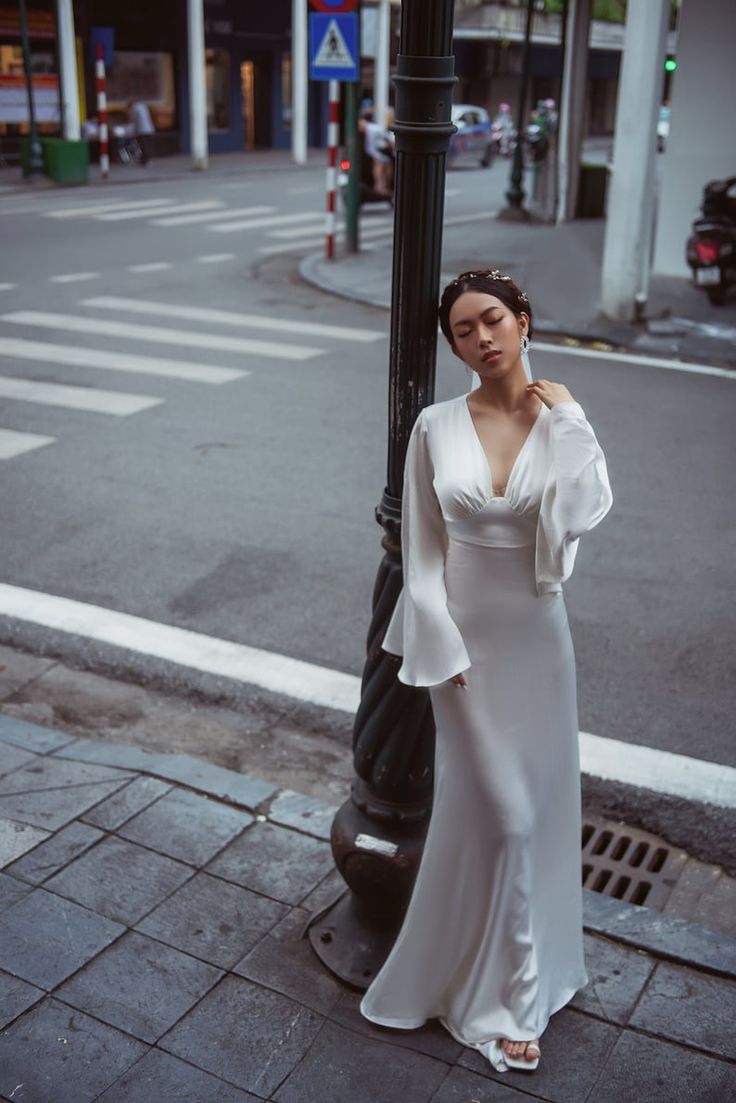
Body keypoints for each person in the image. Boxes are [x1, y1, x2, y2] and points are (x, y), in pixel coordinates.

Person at [360, 269, 613, 1073]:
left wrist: (568, 416)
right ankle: (513, 995)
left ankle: (518, 977)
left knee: (531, 814)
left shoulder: (559, 418)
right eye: (463, 331)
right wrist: (440, 643)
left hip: (539, 642)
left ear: (524, 320)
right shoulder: (435, 425)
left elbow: (585, 510)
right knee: (502, 814)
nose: (481, 340)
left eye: (492, 321)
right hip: (461, 649)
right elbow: (423, 549)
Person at [127, 99, 155, 165]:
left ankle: (145, 160)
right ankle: (146, 159)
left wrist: (132, 131)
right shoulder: (143, 106)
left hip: (142, 130)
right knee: (147, 145)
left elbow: (133, 121)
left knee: (143, 146)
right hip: (149, 129)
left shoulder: (134, 109)